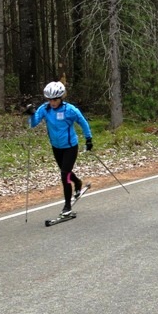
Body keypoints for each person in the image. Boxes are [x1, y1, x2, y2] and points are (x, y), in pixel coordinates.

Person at [27, 81, 93, 216]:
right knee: (66, 172)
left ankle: (67, 206)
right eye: (50, 99)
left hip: (70, 147)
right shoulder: (45, 109)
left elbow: (83, 122)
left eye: (55, 99)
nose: (52, 102)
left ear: (61, 98)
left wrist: (88, 139)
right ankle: (77, 182)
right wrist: (31, 114)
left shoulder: (70, 110)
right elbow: (33, 124)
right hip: (56, 147)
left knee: (64, 175)